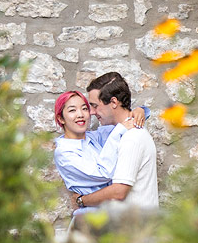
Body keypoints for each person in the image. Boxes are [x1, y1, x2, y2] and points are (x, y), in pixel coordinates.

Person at [52, 89, 141, 216]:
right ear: (61, 118)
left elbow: (124, 124)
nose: (80, 114)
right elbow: (104, 173)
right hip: (91, 218)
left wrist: (139, 111)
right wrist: (120, 129)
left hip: (111, 216)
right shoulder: (64, 152)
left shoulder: (93, 137)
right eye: (72, 110)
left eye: (84, 109)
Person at [78, 72, 159, 212]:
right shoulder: (121, 133)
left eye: (95, 106)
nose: (91, 112)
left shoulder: (132, 137)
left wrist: (81, 200)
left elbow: (119, 192)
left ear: (114, 102)